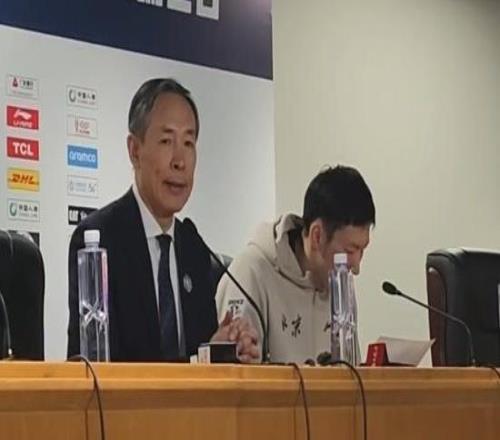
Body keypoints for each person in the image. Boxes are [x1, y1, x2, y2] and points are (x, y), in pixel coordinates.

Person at [67, 78, 258, 362]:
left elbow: (199, 358)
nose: (180, 161)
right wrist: (199, 363)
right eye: (167, 141)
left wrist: (226, 349)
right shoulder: (100, 240)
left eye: (188, 143)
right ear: (135, 150)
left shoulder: (193, 248)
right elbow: (94, 366)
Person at [216, 165, 375, 363]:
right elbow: (238, 373)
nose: (356, 268)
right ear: (317, 236)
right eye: (350, 251)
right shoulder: (250, 275)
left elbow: (351, 372)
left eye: (362, 250)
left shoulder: (340, 286)